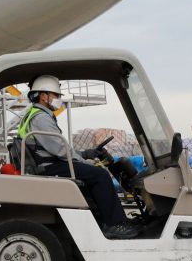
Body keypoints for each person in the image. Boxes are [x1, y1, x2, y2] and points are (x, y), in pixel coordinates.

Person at [17, 75, 137, 239]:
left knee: (92, 174)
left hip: (47, 163)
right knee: (100, 175)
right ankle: (114, 224)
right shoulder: (41, 118)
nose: (58, 99)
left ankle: (102, 222)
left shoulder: (35, 114)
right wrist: (83, 160)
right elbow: (60, 150)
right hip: (51, 166)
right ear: (43, 96)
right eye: (56, 95)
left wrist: (86, 153)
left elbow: (57, 149)